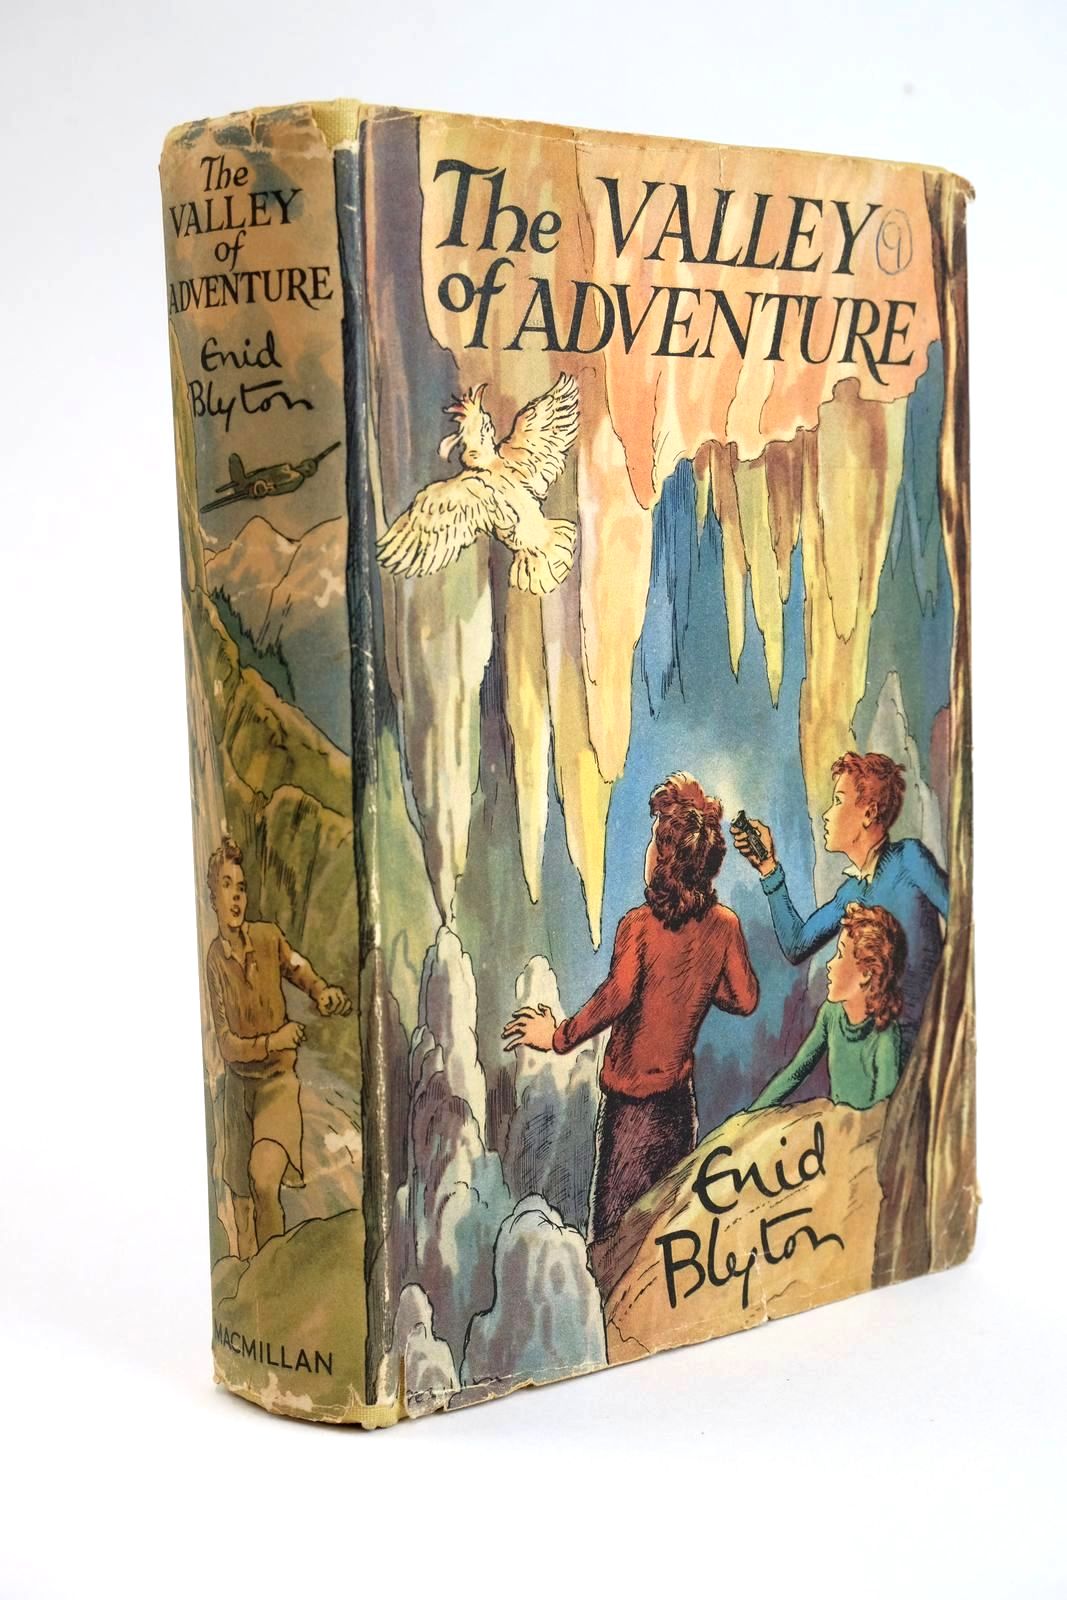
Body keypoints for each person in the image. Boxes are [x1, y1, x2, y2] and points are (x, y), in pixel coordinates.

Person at [502, 773, 759, 1242]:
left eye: (654, 841)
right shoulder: (724, 926)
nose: (647, 851)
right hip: (679, 1109)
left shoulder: (638, 927)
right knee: (668, 1233)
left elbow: (616, 996)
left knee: (613, 1244)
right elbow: (744, 999)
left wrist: (558, 1036)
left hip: (632, 1117)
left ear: (665, 859)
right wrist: (698, 982)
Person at [731, 751, 948, 1050]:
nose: (827, 814)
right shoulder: (851, 892)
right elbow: (796, 945)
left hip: (929, 1041)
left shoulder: (908, 858)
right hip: (879, 1047)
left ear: (869, 813)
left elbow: (964, 920)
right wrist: (768, 867)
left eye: (838, 801)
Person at [204, 837, 351, 1255]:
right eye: (226, 886)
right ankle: (252, 1277)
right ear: (212, 898)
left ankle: (274, 1269)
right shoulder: (214, 961)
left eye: (241, 887)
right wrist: (275, 1039)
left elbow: (296, 966)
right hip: (238, 1091)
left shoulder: (268, 938)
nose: (236, 897)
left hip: (277, 1085)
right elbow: (227, 1045)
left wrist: (321, 991)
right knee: (240, 1200)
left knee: (264, 1179)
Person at [750, 902, 905, 1111]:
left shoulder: (885, 1034)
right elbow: (796, 1071)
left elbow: (885, 1110)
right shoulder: (831, 1013)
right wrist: (748, 1117)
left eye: (840, 954)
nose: (830, 964)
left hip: (866, 1130)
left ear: (866, 973)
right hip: (837, 1126)